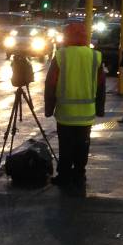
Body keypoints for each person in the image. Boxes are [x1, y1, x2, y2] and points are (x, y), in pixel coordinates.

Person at [45, 23, 106, 188]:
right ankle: (79, 174)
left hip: (65, 113)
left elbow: (50, 84)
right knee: (82, 145)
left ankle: (64, 175)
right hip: (86, 114)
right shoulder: (95, 56)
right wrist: (100, 109)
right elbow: (101, 86)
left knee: (65, 146)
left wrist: (49, 108)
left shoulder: (60, 55)